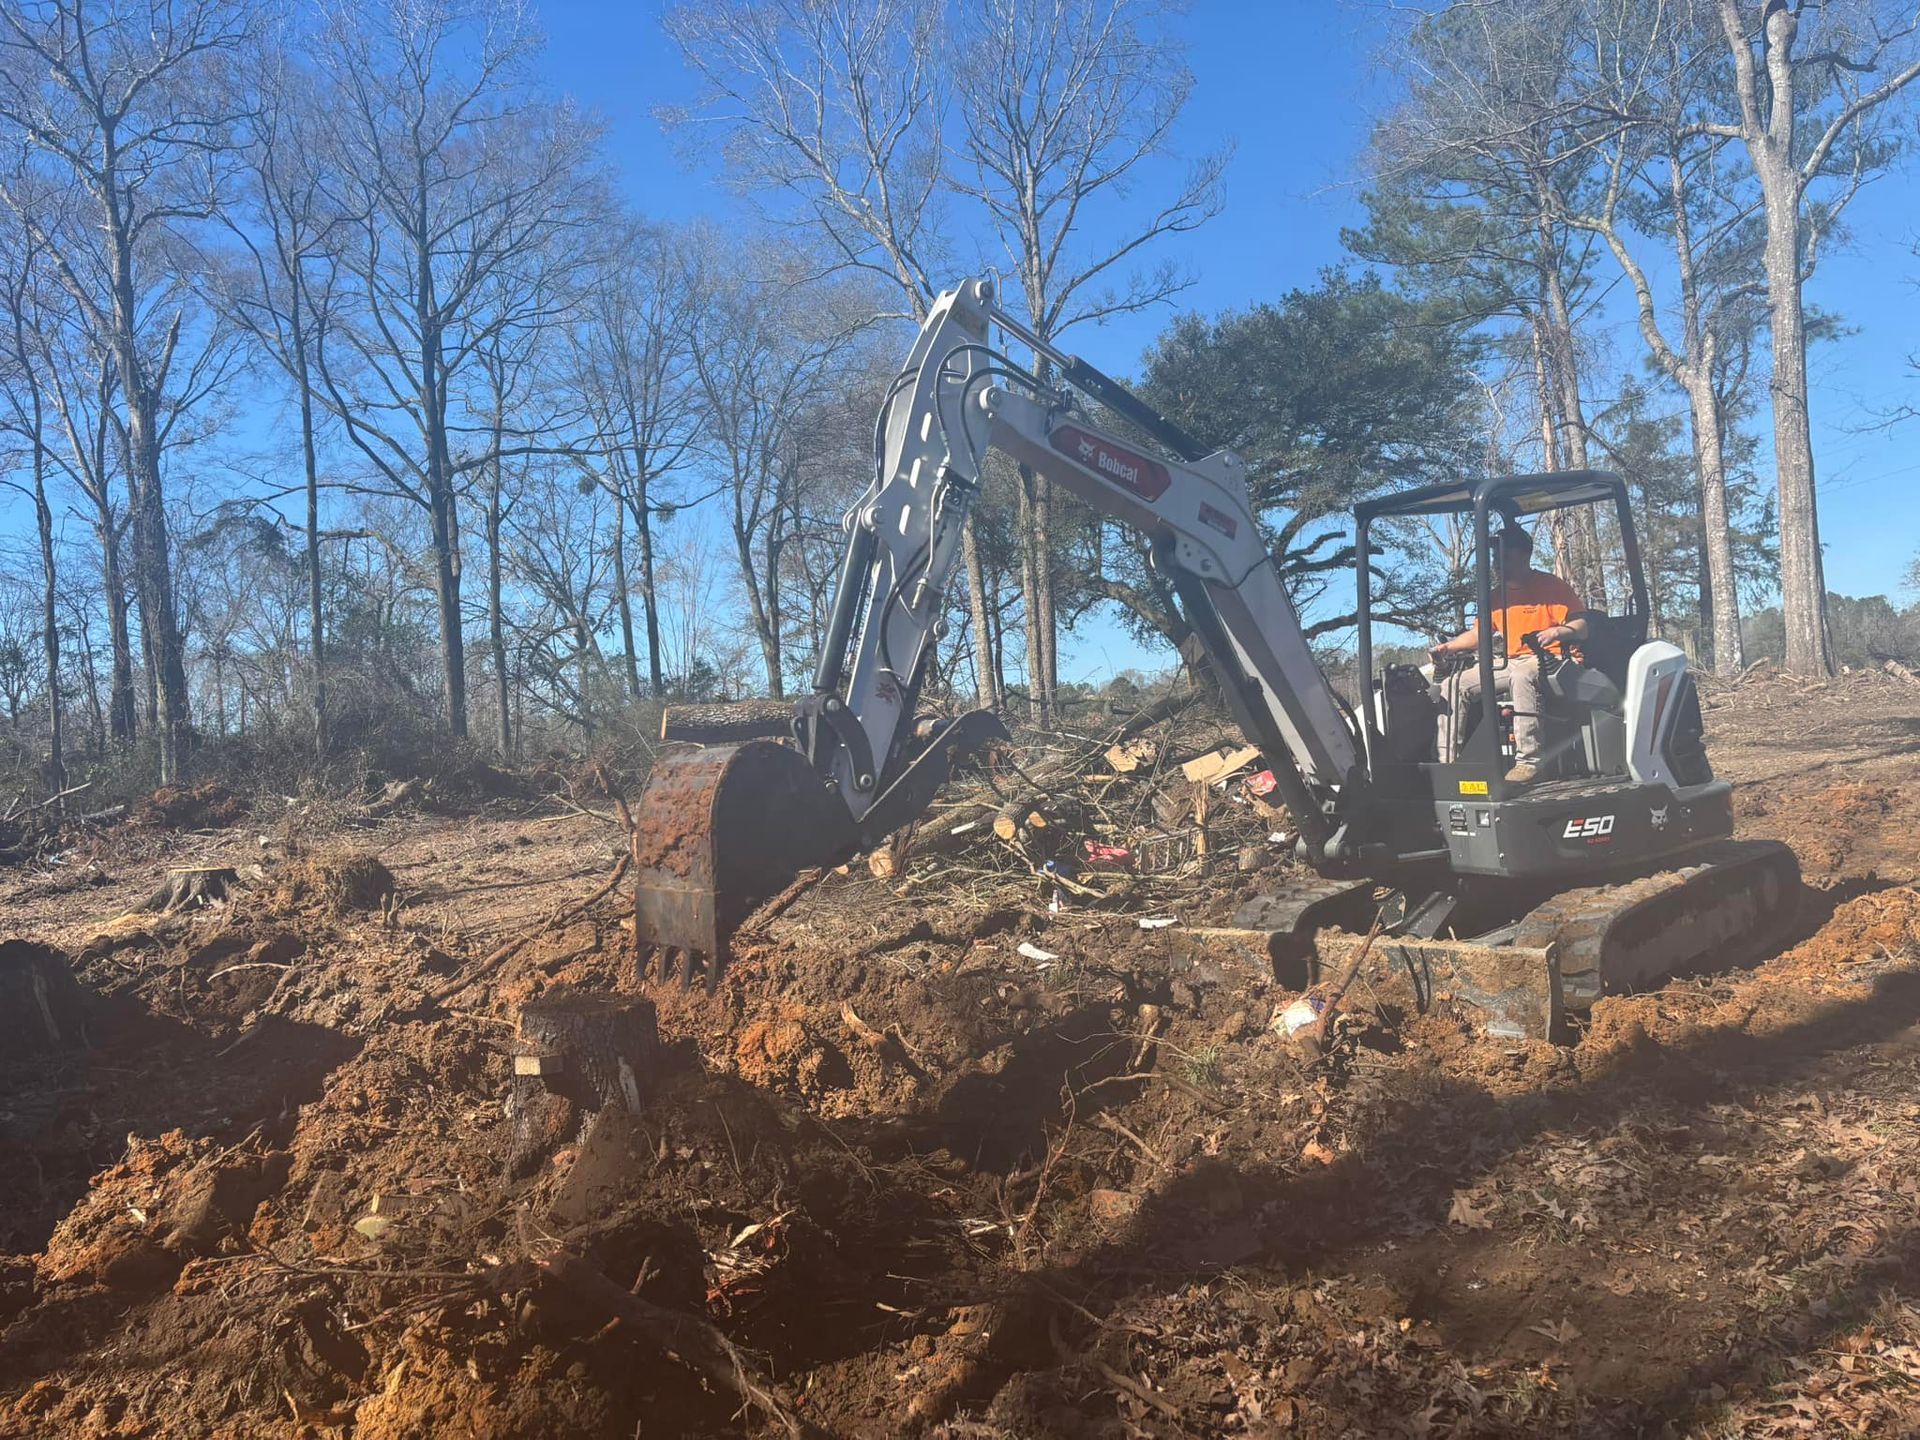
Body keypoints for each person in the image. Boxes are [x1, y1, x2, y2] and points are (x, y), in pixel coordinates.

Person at [1430, 526, 1588, 783]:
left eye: (1504, 557)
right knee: (1454, 684)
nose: (1497, 564)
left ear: (1524, 556)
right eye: (1494, 558)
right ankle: (1448, 765)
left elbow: (1582, 627)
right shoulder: (1495, 597)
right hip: (1514, 662)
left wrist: (1557, 632)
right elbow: (1478, 635)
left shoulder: (1551, 587)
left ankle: (1528, 761)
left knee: (1523, 675)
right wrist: (1448, 648)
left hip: (1556, 660)